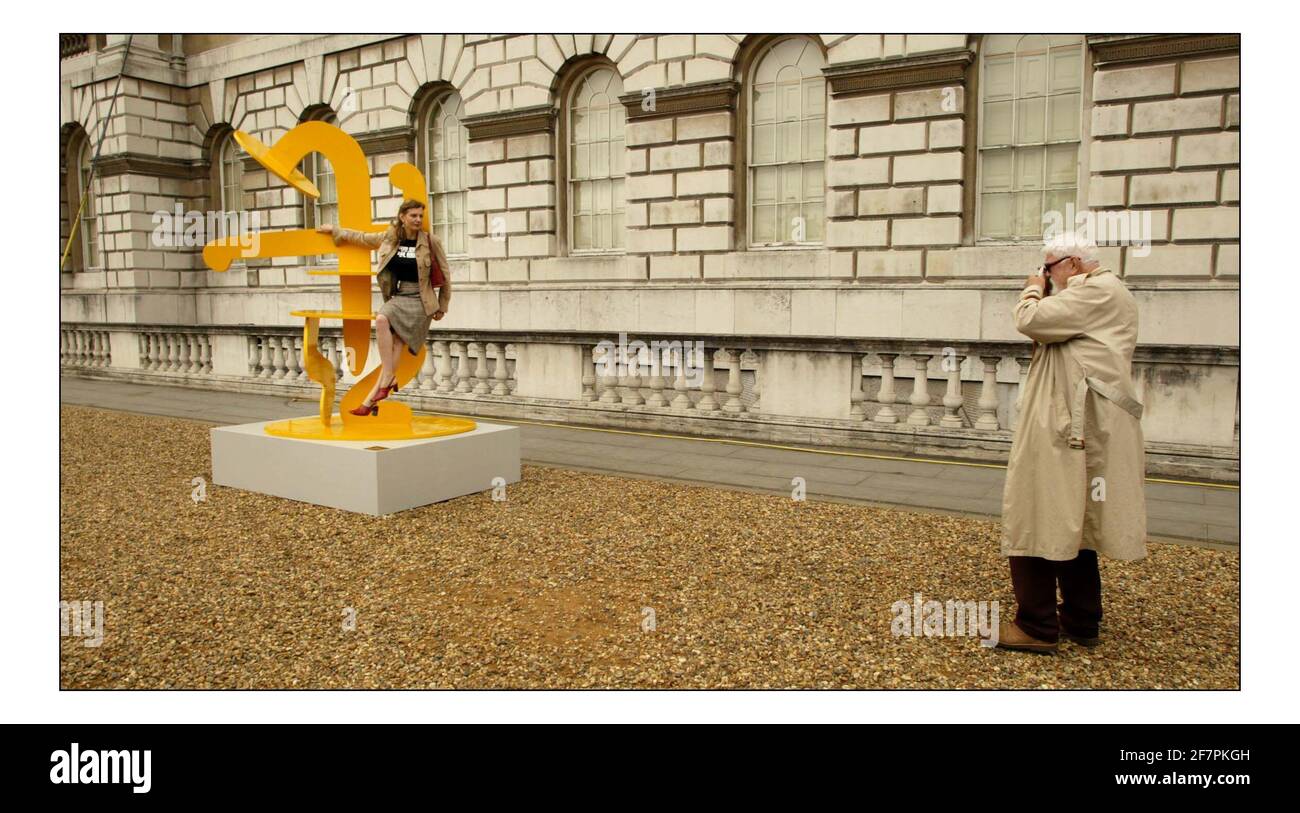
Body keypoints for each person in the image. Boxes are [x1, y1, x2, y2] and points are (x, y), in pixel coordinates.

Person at [996, 232, 1147, 654]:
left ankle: (1036, 626)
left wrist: (1031, 288)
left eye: (1049, 268)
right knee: (1070, 518)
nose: (1046, 276)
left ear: (1073, 264)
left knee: (1035, 510)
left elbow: (1030, 321)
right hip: (1075, 423)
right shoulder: (1100, 292)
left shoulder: (1095, 291)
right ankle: (1081, 619)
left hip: (1068, 427)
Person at [316, 200, 451, 415]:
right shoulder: (391, 237)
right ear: (402, 217)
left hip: (422, 301)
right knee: (381, 320)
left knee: (395, 340)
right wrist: (336, 230)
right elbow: (363, 238)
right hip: (399, 296)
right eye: (413, 215)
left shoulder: (430, 241)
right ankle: (384, 383)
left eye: (420, 216)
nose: (417, 219)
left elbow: (445, 274)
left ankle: (370, 400)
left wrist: (442, 305)